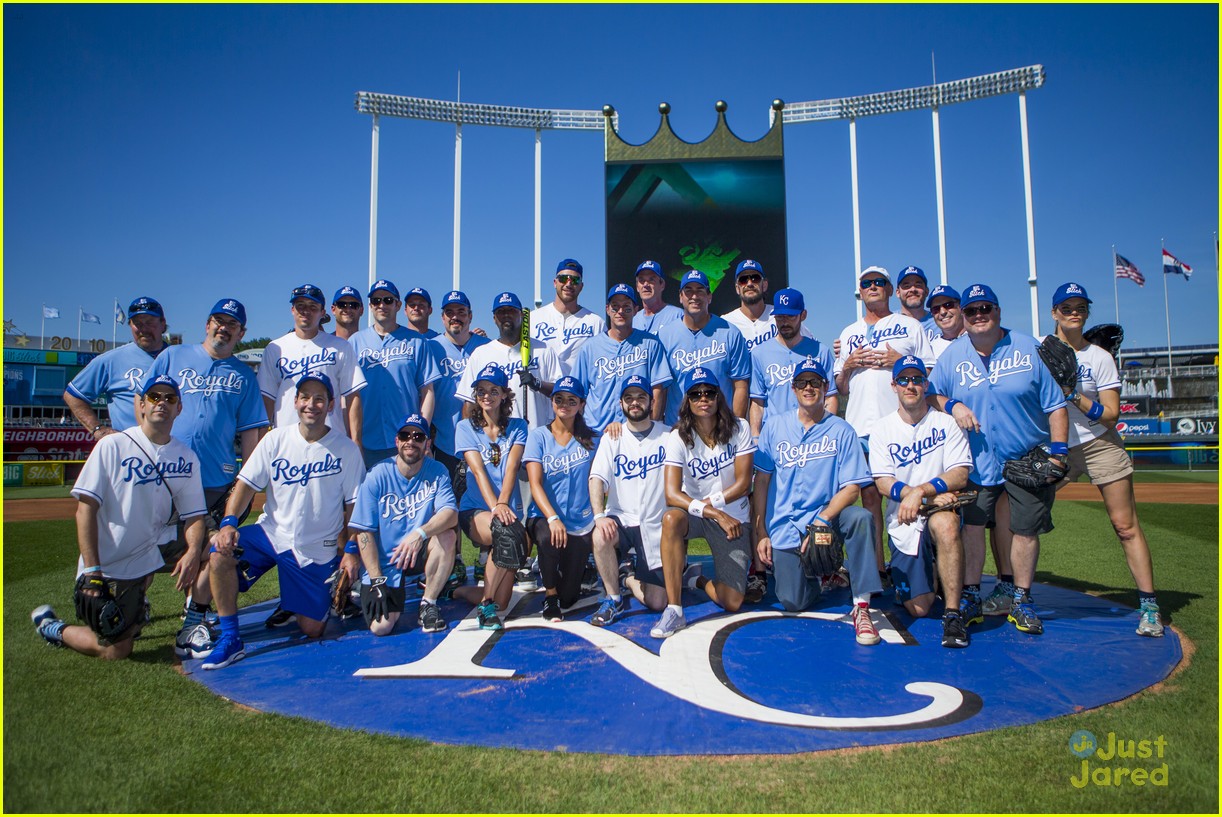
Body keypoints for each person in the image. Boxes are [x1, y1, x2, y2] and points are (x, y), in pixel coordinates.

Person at [926, 283, 1069, 636]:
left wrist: (1060, 452)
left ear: (998, 312)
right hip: (977, 459)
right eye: (972, 311)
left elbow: (1055, 405)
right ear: (964, 315)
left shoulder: (1028, 348)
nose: (978, 316)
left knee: (1024, 529)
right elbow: (931, 392)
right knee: (973, 527)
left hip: (1025, 455)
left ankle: (1020, 598)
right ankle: (972, 594)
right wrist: (953, 405)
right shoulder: (953, 355)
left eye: (985, 309)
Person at [32, 375, 208, 660]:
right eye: (154, 397)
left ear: (179, 408)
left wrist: (192, 552)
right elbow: (85, 509)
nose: (161, 403)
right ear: (140, 404)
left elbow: (195, 517)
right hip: (110, 564)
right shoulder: (112, 446)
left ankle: (191, 624)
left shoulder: (186, 457)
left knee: (217, 547)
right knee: (116, 650)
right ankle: (54, 628)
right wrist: (92, 572)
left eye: (169, 398)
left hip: (150, 554)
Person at [201, 373, 365, 669]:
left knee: (312, 628)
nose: (311, 404)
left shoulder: (347, 449)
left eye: (319, 398)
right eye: (305, 397)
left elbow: (354, 508)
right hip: (271, 533)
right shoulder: (276, 439)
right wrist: (228, 523)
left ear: (329, 406)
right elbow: (246, 484)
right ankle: (225, 635)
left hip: (315, 547)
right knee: (219, 554)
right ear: (295, 402)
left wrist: (350, 552)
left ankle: (294, 599)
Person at [142, 299, 270, 649]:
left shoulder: (243, 375)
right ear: (207, 323)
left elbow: (250, 434)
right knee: (144, 542)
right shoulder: (173, 357)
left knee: (214, 549)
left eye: (232, 325)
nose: (224, 328)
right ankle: (135, 602)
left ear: (241, 333)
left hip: (216, 481)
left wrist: (245, 482)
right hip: (163, 475)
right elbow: (148, 405)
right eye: (218, 321)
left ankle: (195, 616)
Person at [1046, 282, 1162, 636]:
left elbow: (1110, 413)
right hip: (1055, 443)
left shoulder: (1099, 357)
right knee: (1020, 515)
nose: (1074, 313)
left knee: (1125, 526)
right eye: (1067, 307)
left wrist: (1072, 394)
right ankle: (1014, 592)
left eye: (1081, 307)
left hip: (1099, 443)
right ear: (1054, 313)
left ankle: (1149, 606)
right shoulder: (1041, 352)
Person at [752, 358, 885, 646]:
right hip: (787, 524)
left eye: (815, 382)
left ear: (826, 387)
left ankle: (862, 606)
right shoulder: (774, 427)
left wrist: (823, 519)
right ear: (793, 388)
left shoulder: (841, 430)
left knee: (861, 518)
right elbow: (761, 483)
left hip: (828, 518)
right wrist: (761, 533)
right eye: (802, 383)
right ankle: (823, 576)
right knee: (792, 601)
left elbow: (852, 488)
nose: (808, 387)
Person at [834, 265, 934, 581]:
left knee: (906, 495)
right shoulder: (849, 332)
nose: (873, 287)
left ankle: (911, 568)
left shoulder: (908, 325)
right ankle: (877, 567)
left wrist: (899, 363)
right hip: (860, 427)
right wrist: (848, 365)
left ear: (890, 290)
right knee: (869, 500)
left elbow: (930, 373)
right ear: (860, 291)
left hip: (901, 426)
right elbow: (841, 387)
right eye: (867, 283)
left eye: (880, 282)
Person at [869, 356, 974, 647]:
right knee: (919, 607)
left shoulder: (946, 423)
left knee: (947, 524)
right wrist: (918, 494)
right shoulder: (882, 428)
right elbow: (882, 482)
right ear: (894, 386)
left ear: (926, 384)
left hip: (937, 509)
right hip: (904, 518)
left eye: (917, 379)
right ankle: (935, 578)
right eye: (904, 380)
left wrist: (921, 492)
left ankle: (953, 614)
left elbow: (960, 473)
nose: (910, 385)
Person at [652, 368, 756, 638]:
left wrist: (717, 509)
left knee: (733, 602)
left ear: (719, 395)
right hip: (700, 515)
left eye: (709, 392)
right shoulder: (677, 436)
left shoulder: (740, 427)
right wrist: (712, 512)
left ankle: (695, 578)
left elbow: (744, 484)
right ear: (687, 400)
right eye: (696, 394)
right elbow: (671, 495)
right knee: (671, 518)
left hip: (733, 518)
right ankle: (674, 609)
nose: (703, 398)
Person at [349, 413, 458, 635]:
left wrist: (420, 533)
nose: (411, 441)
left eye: (418, 436)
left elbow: (450, 514)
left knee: (447, 536)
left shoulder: (437, 471)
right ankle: (361, 588)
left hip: (417, 551)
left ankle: (429, 604)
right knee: (382, 627)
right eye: (405, 435)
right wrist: (377, 578)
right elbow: (364, 533)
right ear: (397, 441)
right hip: (386, 559)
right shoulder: (377, 475)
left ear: (427, 443)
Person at [449, 364, 529, 630]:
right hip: (475, 510)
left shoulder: (518, 427)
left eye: (493, 390)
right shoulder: (465, 427)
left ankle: (463, 592)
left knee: (503, 602)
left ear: (504, 395)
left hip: (505, 508)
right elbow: (478, 470)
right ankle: (485, 608)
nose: (487, 396)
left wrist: (503, 503)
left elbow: (512, 468)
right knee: (504, 533)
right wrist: (496, 506)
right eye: (481, 390)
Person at [589, 375, 672, 615]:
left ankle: (627, 578)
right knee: (600, 535)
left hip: (655, 523)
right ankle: (613, 597)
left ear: (651, 401)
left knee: (657, 602)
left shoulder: (669, 436)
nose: (634, 403)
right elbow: (596, 479)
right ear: (621, 404)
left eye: (640, 397)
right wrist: (598, 516)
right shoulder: (611, 437)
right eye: (629, 398)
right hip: (622, 519)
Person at [522, 376, 600, 622]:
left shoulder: (592, 439)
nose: (564, 404)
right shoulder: (538, 436)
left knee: (571, 597)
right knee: (547, 539)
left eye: (571, 399)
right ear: (552, 401)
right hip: (544, 516)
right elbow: (534, 483)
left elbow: (599, 479)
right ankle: (550, 595)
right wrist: (553, 517)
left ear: (581, 404)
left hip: (579, 522)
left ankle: (563, 586)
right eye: (558, 398)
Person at [429, 290, 492, 586]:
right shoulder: (432, 347)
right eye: (450, 313)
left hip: (481, 441)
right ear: (442, 317)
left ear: (470, 315)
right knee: (447, 507)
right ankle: (453, 561)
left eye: (461, 312)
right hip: (444, 440)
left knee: (482, 502)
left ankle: (483, 559)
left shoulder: (485, 346)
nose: (456, 318)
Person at [349, 278, 443, 469]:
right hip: (367, 441)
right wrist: (353, 440)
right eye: (376, 301)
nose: (382, 305)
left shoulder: (416, 341)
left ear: (398, 305)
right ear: (370, 306)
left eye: (388, 300)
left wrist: (421, 434)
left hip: (407, 441)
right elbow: (349, 396)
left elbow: (428, 392)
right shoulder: (355, 342)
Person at [258, 283, 366, 445]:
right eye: (300, 306)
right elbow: (266, 399)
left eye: (312, 307)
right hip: (286, 442)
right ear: (292, 310)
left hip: (331, 442)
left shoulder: (340, 347)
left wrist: (356, 441)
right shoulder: (275, 348)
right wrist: (262, 443)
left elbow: (353, 396)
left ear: (322, 312)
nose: (306, 311)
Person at [569, 283, 670, 430]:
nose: (620, 311)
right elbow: (577, 393)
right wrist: (579, 431)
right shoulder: (590, 347)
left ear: (636, 310)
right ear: (607, 309)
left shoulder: (650, 343)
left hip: (637, 429)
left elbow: (658, 388)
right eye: (615, 307)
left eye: (627, 307)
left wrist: (653, 426)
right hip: (596, 430)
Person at [64, 296, 168, 436]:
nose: (144, 329)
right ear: (130, 325)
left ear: (163, 324)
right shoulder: (111, 360)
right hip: (130, 448)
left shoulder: (180, 358)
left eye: (150, 322)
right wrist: (97, 429)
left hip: (173, 448)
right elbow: (73, 395)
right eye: (137, 323)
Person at [657, 270, 751, 424]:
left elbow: (740, 385)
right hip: (679, 429)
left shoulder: (730, 333)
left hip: (721, 428)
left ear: (709, 296)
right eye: (688, 291)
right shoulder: (664, 336)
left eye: (700, 291)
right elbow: (660, 389)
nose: (694, 296)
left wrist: (737, 427)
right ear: (680, 297)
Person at [457, 291, 562, 430]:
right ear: (494, 318)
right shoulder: (481, 354)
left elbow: (561, 391)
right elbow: (469, 402)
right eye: (501, 312)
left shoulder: (543, 349)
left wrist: (537, 383)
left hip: (536, 435)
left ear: (522, 315)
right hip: (496, 439)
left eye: (511, 311)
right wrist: (469, 437)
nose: (506, 315)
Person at [749, 287, 838, 437]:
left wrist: (824, 430)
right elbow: (758, 402)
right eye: (780, 316)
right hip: (774, 435)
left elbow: (830, 396)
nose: (785, 322)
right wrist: (756, 436)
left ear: (803, 315)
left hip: (812, 433)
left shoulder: (820, 351)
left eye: (790, 316)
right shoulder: (759, 353)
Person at [720, 259, 816, 351]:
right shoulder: (726, 322)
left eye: (755, 278)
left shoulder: (780, 314)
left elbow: (811, 345)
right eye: (743, 279)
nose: (749, 284)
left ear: (764, 285)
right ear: (737, 288)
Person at [530, 258, 604, 374]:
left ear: (581, 286)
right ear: (555, 282)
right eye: (563, 278)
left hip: (578, 390)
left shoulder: (595, 322)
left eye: (575, 280)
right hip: (540, 390)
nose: (568, 284)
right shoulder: (532, 319)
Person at [632, 259, 683, 335]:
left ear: (662, 285)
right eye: (641, 280)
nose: (646, 285)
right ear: (637, 287)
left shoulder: (678, 315)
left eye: (651, 280)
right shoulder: (633, 321)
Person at [895, 265, 940, 344]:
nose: (913, 289)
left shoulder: (940, 322)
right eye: (907, 286)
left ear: (926, 291)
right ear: (898, 293)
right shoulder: (888, 322)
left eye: (918, 285)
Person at [925, 285, 964, 365]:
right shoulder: (930, 350)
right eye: (936, 309)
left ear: (960, 307)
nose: (942, 312)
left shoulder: (978, 338)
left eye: (948, 305)